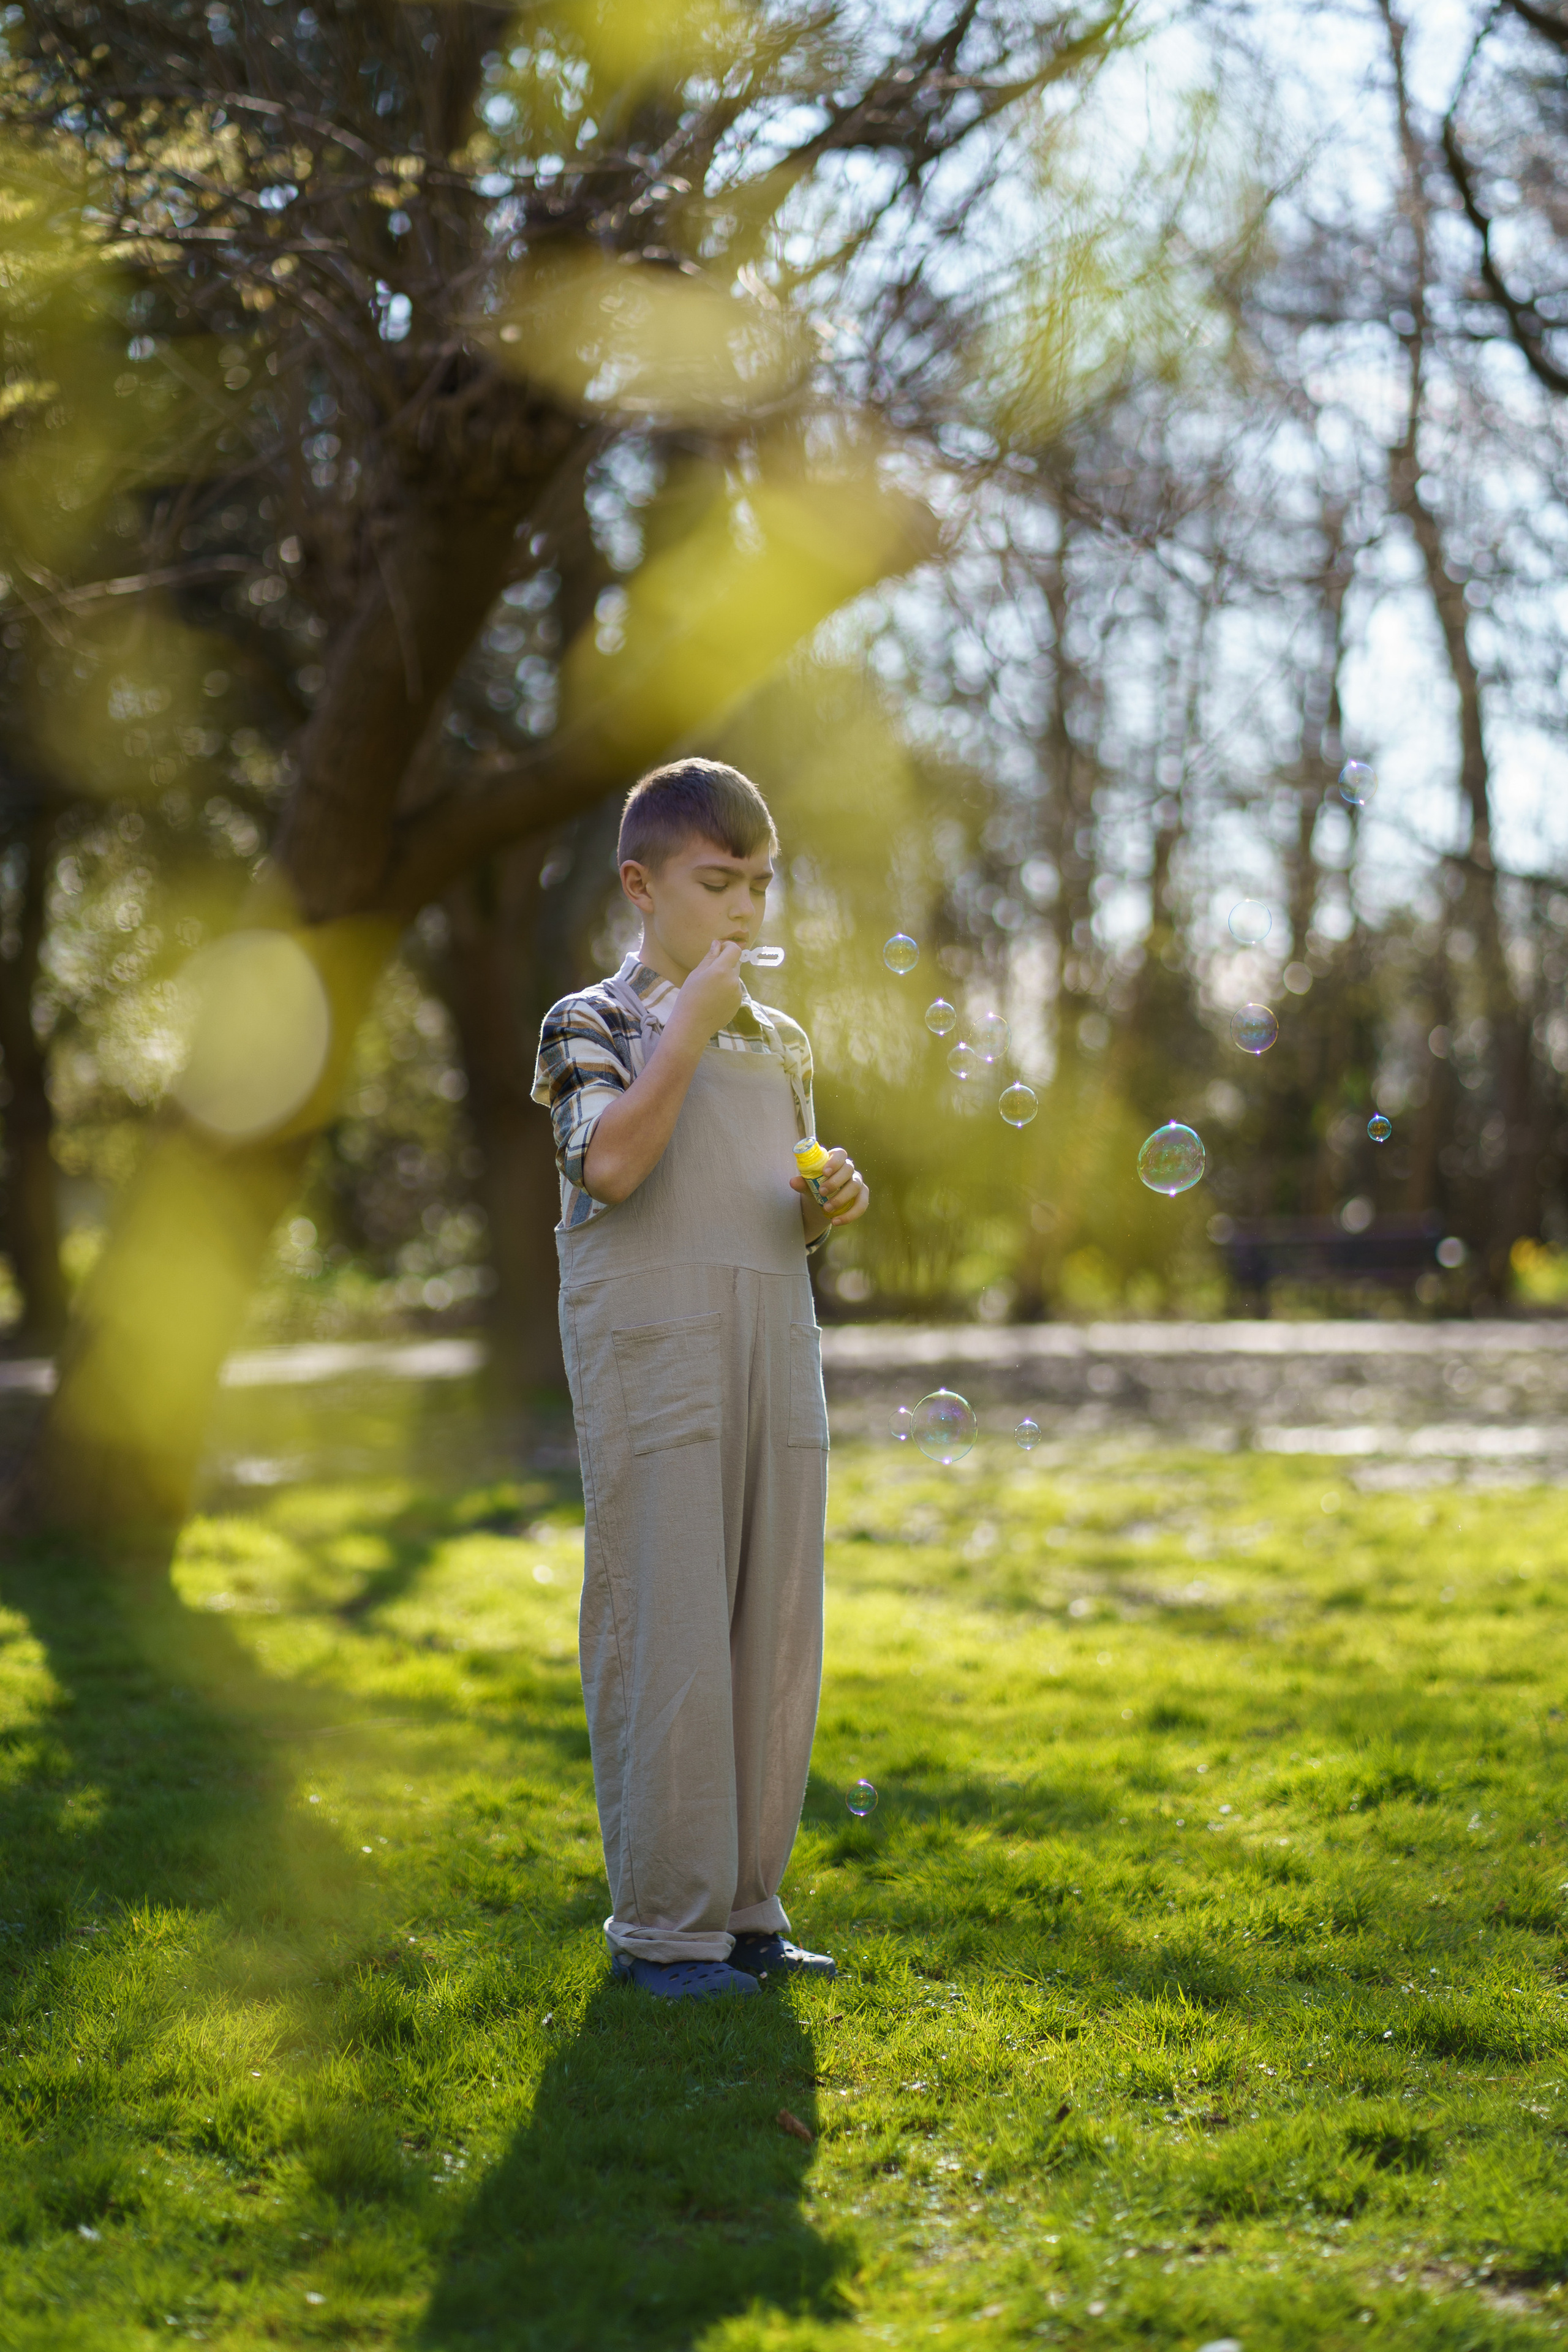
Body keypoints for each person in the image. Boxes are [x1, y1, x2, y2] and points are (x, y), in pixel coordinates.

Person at [532, 758, 870, 2000]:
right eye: (716, 883)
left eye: (762, 887)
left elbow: (777, 1195)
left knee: (772, 1623)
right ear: (641, 886)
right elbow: (610, 1166)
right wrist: (683, 1028)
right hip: (653, 1358)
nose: (743, 912)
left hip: (772, 1347)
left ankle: (743, 1914)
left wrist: (832, 1197)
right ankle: (663, 1934)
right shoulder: (590, 1023)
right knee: (667, 1622)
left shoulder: (781, 1039)